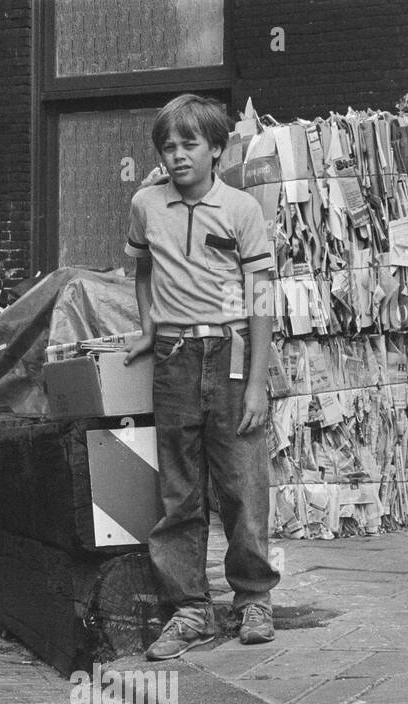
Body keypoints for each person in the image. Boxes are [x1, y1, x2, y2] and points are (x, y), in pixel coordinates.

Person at [122, 94, 280, 659]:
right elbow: (141, 272)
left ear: (216, 149)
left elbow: (262, 298)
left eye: (189, 144)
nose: (177, 155)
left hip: (233, 355)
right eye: (168, 146)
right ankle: (190, 609)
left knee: (242, 484)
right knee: (179, 489)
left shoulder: (241, 209)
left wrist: (258, 382)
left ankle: (253, 598)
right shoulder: (146, 204)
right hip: (173, 358)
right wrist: (147, 329)